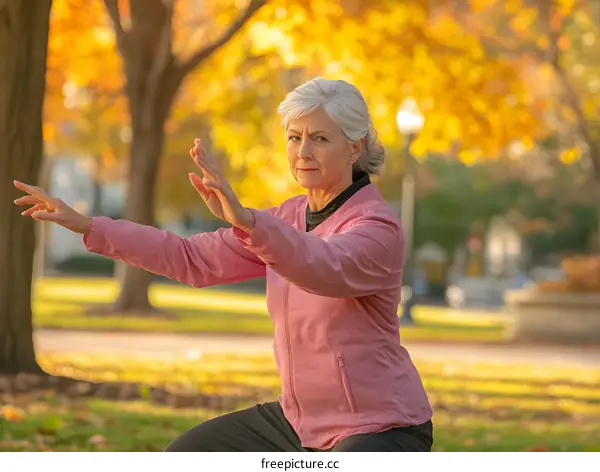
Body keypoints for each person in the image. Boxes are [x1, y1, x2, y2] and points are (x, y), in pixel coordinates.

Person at [14, 77, 433, 452]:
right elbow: (191, 259)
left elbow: (319, 266)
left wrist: (249, 221)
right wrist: (88, 225)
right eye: (294, 137)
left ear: (355, 146)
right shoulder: (286, 219)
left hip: (381, 428)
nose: (303, 152)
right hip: (300, 424)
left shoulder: (377, 228)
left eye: (320, 139)